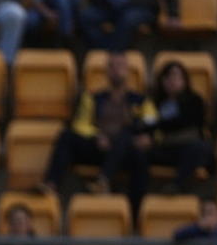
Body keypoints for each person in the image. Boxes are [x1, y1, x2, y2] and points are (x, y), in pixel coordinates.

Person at [41, 51, 154, 214]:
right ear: (107, 71)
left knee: (131, 142)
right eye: (113, 66)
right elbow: (80, 124)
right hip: (99, 147)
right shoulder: (93, 97)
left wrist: (149, 138)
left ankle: (132, 210)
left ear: (128, 70)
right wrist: (96, 136)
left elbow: (152, 123)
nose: (117, 70)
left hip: (126, 151)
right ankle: (51, 184)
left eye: (121, 65)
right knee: (67, 136)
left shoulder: (141, 101)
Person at [149, 61, 211, 194]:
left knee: (198, 148)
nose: (172, 81)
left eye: (176, 76)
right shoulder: (155, 103)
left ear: (184, 80)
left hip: (188, 147)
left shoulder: (195, 100)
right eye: (168, 77)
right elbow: (148, 125)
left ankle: (176, 185)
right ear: (162, 81)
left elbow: (190, 120)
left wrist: (165, 123)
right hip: (166, 148)